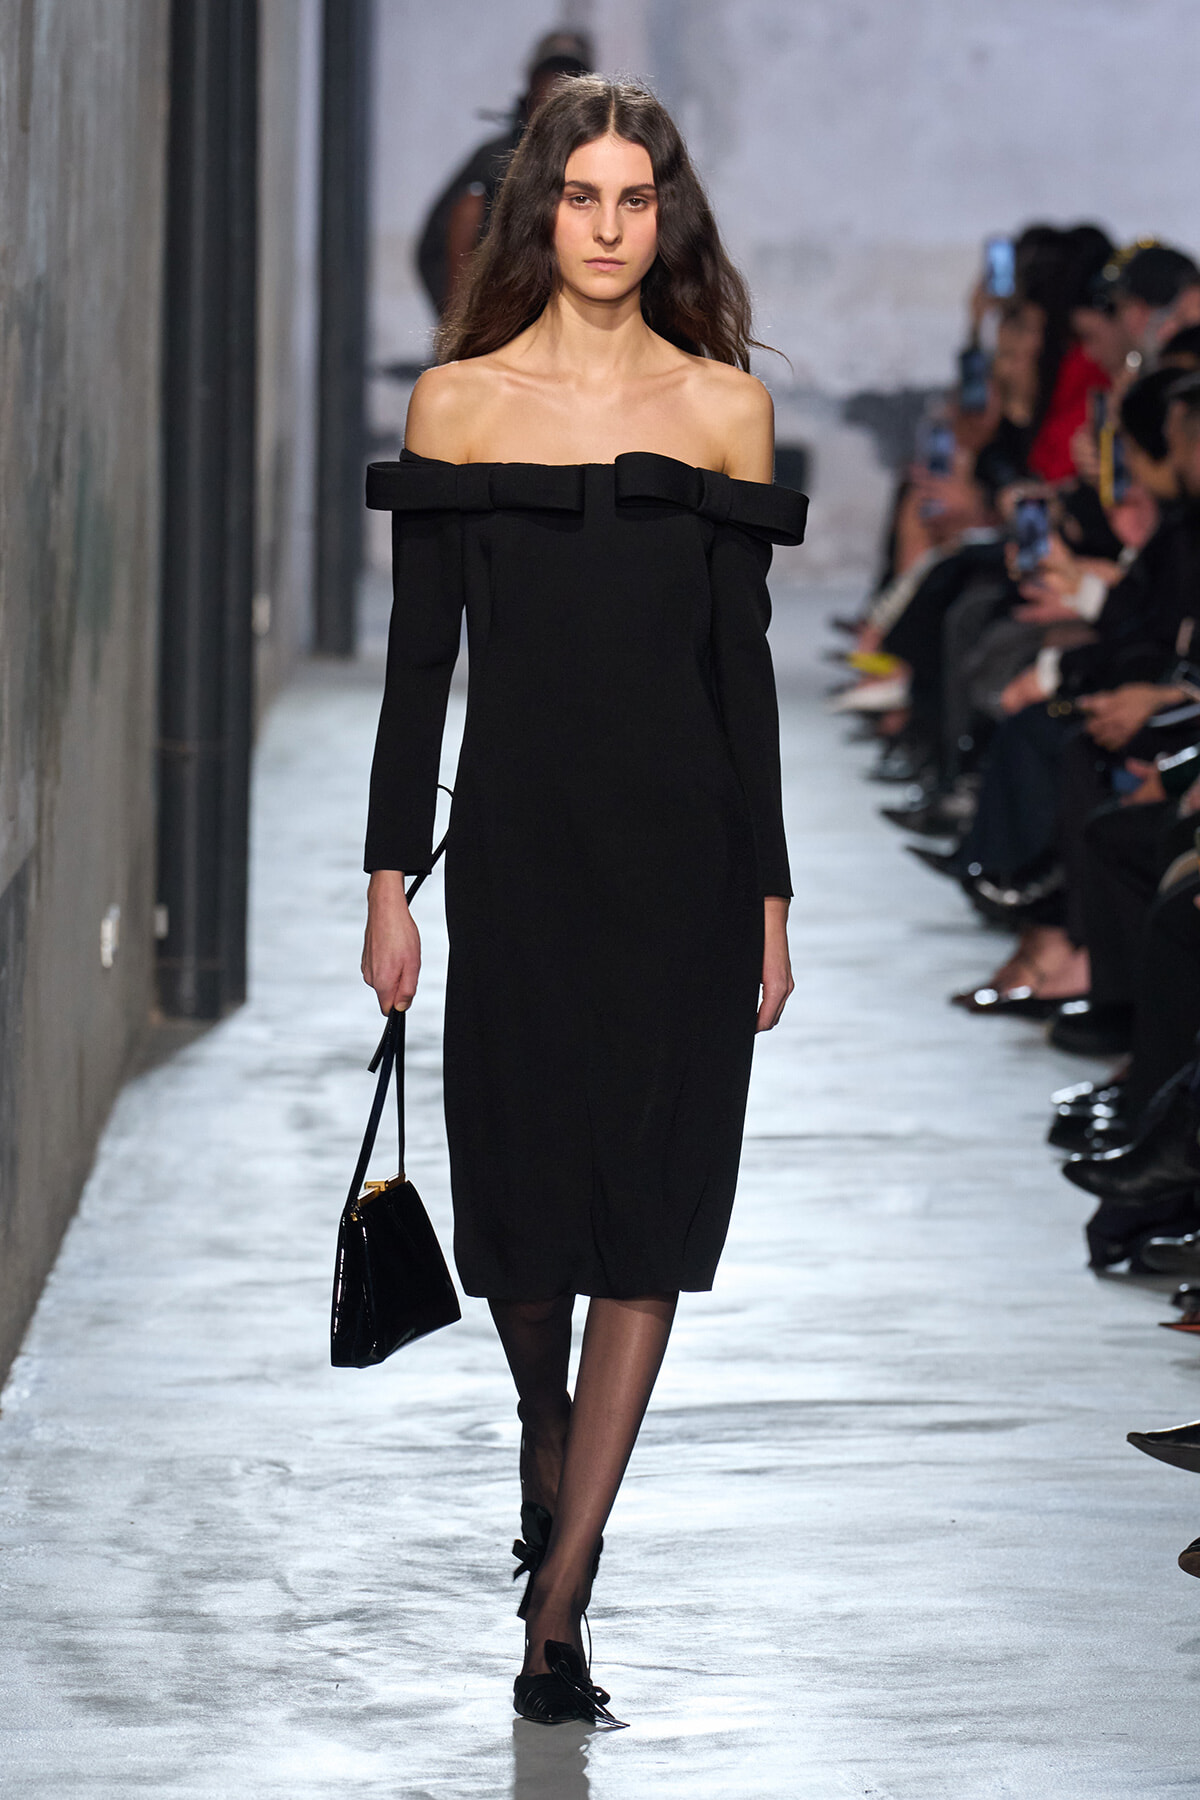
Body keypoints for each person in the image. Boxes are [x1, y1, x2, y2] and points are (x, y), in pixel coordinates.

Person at [361, 75, 806, 1727]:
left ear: (664, 219)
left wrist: (768, 898)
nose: (613, 230)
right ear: (534, 211)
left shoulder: (723, 414)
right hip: (528, 866)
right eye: (584, 199)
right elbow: (422, 671)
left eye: (640, 202)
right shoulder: (458, 407)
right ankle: (543, 1428)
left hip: (686, 870)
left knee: (652, 1223)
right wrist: (389, 881)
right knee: (525, 1226)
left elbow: (740, 681)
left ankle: (560, 1610)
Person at [415, 32, 593, 318]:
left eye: (570, 78)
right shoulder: (492, 160)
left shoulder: (605, 161)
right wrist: (465, 321)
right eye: (549, 77)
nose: (556, 89)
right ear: (530, 89)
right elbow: (437, 244)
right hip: (500, 313)